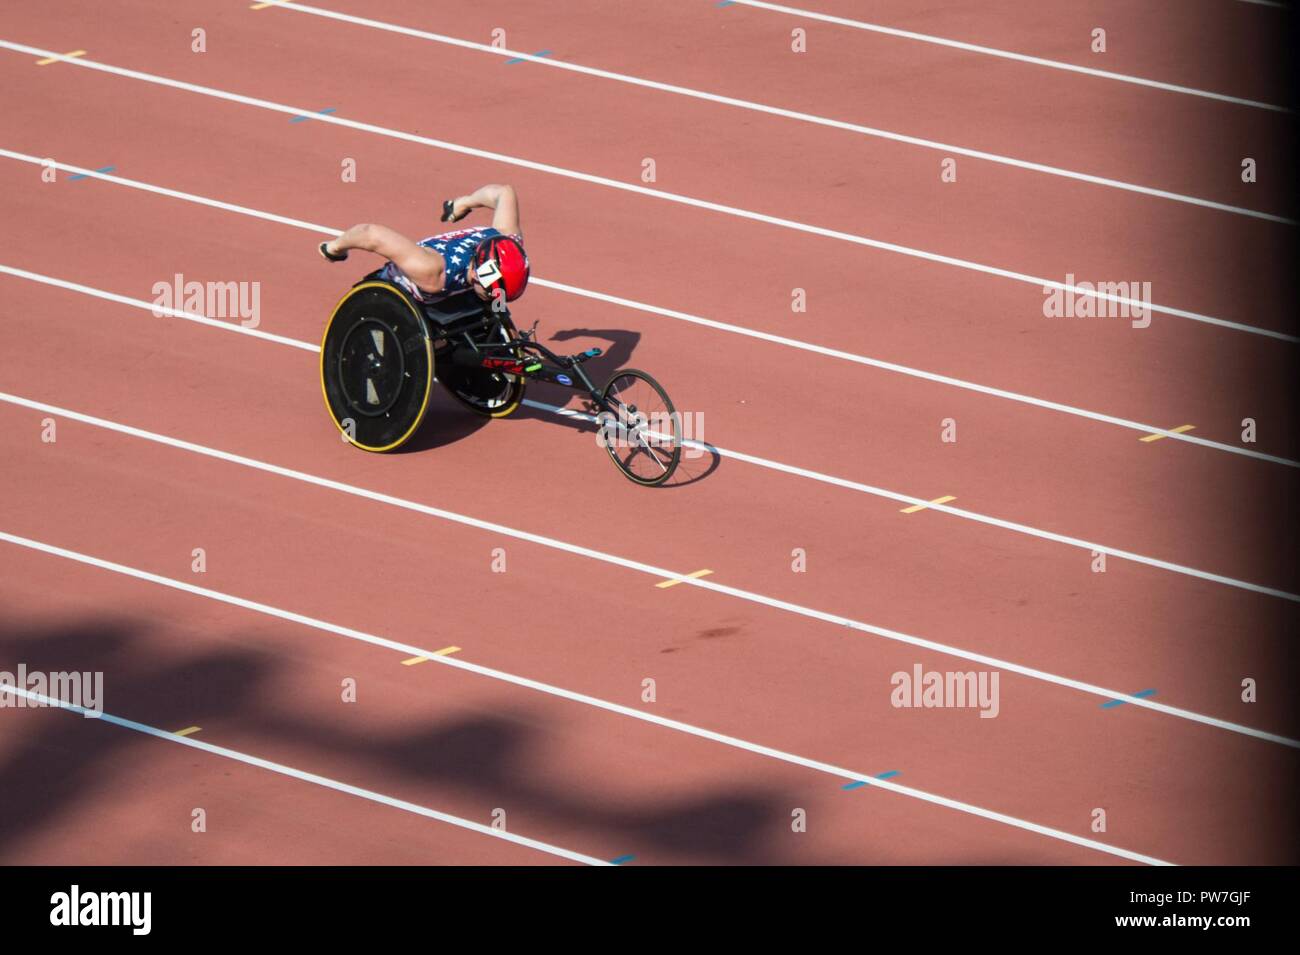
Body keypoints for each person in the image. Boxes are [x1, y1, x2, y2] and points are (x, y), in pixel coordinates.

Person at [318, 183, 530, 305]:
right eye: (493, 295)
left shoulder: (507, 240)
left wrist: (464, 203)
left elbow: (504, 192)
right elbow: (370, 234)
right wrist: (335, 248)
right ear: (475, 274)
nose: (497, 301)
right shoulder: (431, 272)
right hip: (399, 298)